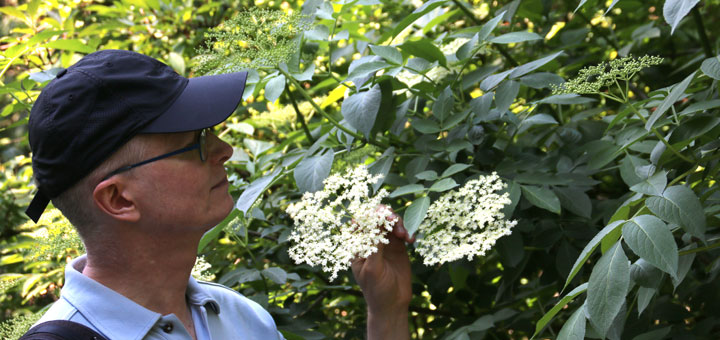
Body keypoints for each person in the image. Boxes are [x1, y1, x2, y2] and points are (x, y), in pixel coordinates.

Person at [25, 49, 414, 339]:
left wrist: (387, 312)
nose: (223, 149)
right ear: (119, 200)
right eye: (195, 142)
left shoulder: (240, 318)